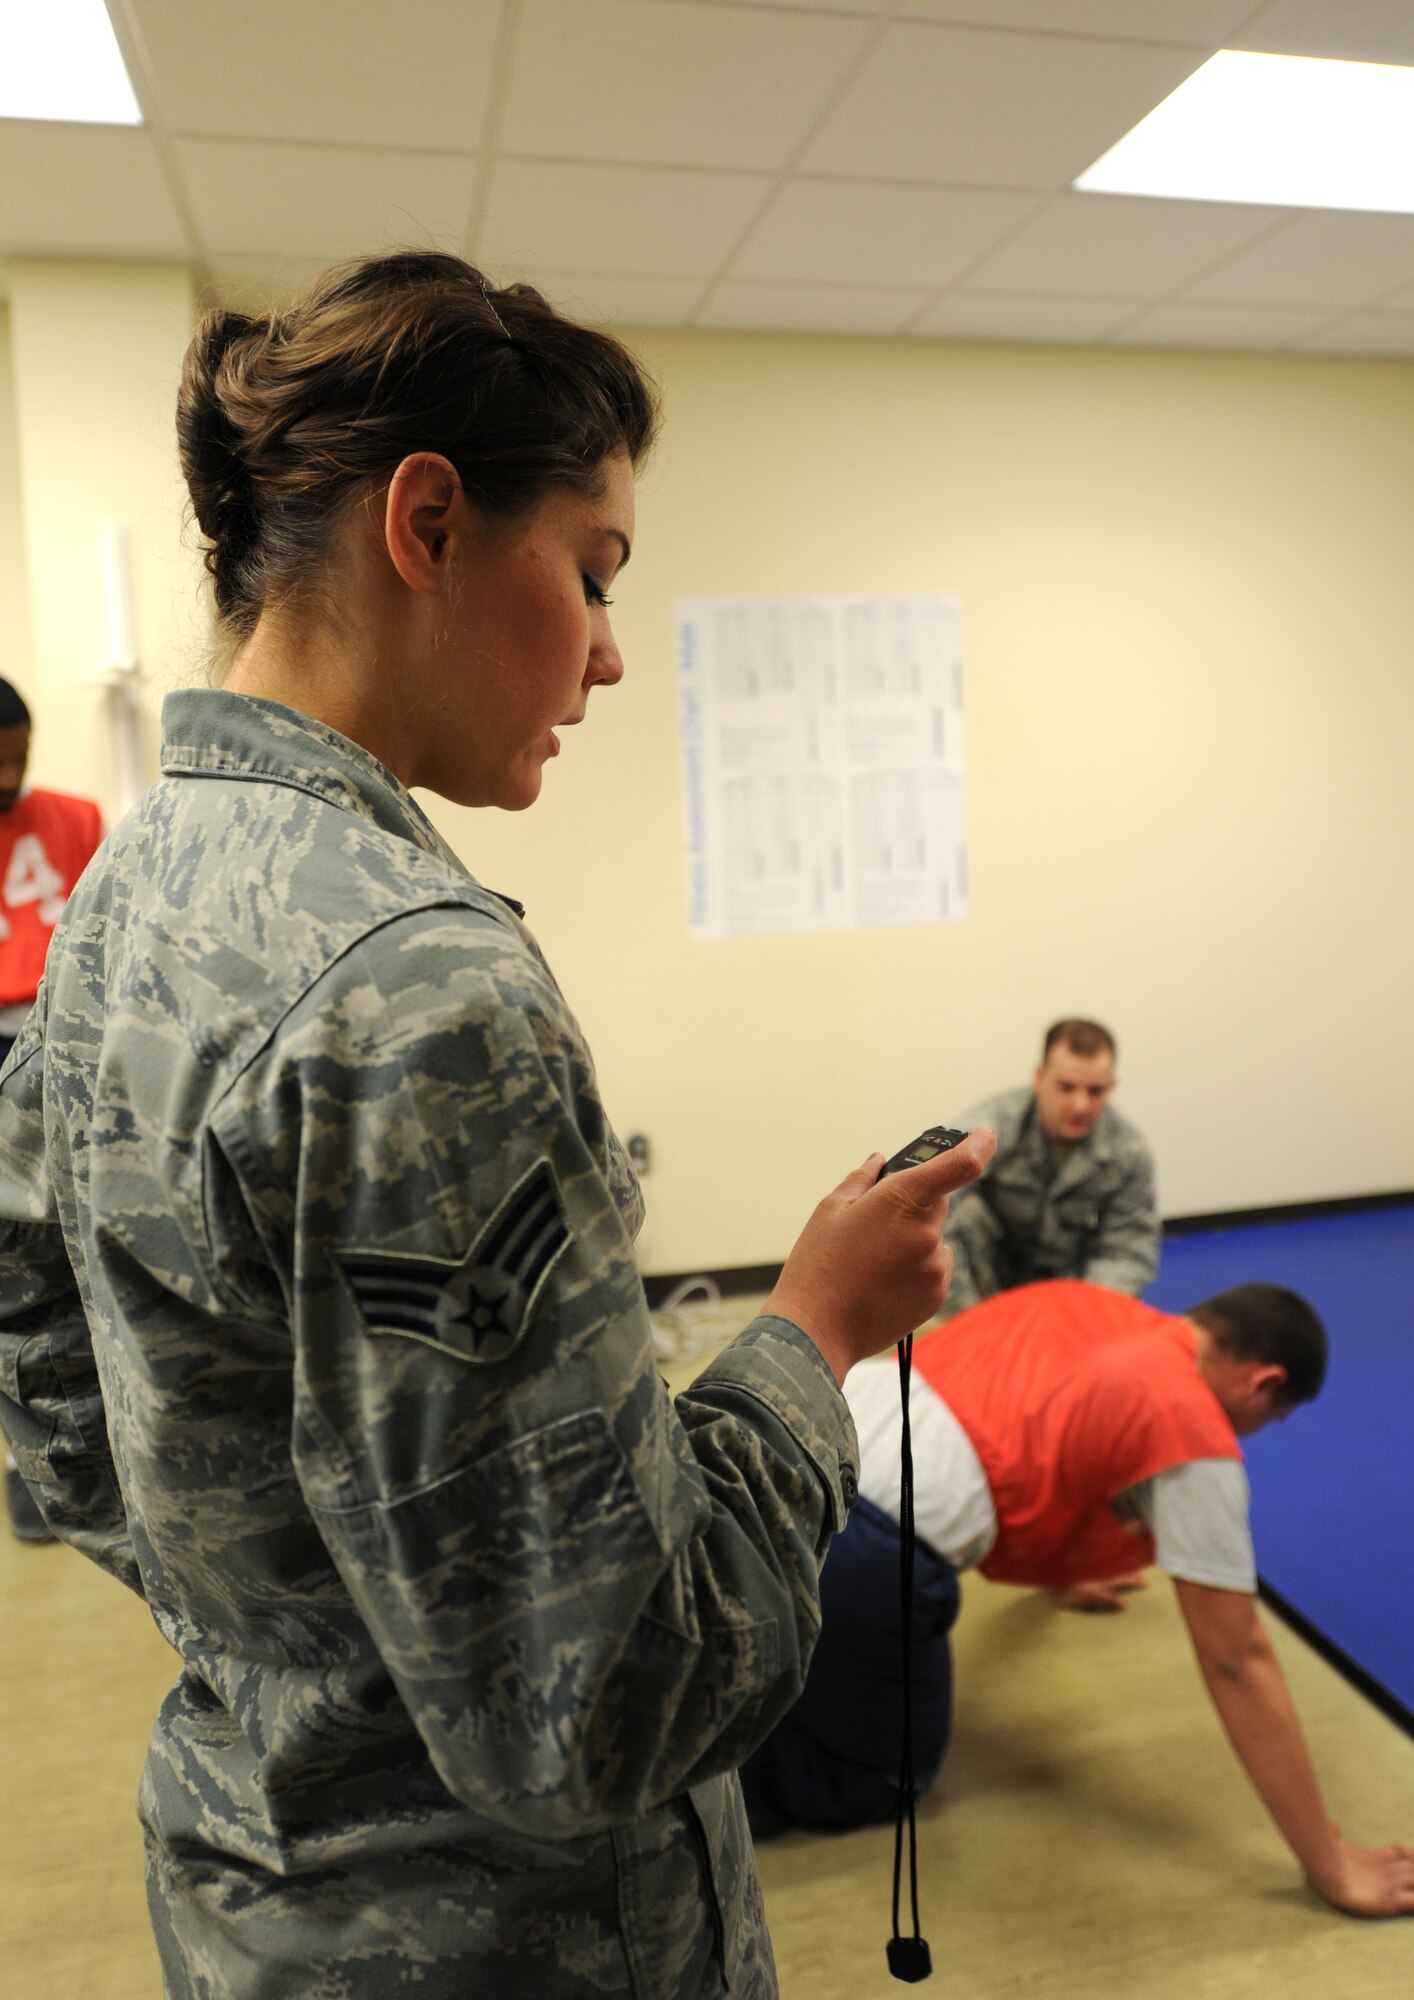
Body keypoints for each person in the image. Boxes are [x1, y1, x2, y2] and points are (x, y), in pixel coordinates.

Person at [0, 251, 997, 1999]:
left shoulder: (137, 876)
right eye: (594, 573)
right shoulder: (420, 991)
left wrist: (269, 1615)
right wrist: (814, 1331)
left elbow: (38, 1368)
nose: (611, 656)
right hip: (511, 1946)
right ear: (432, 522)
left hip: (253, 1885)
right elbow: (603, 1709)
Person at [741, 1277, 1414, 1918]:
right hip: (865, 1544)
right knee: (875, 1779)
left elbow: (1024, 1428)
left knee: (756, 1639)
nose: (1255, 1432)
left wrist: (1061, 1569)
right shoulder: (1190, 1430)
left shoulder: (1085, 1301)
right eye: (1269, 1418)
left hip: (778, 1443)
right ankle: (681, 1776)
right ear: (1264, 1382)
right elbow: (1236, 1657)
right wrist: (1329, 1861)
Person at [0, 675, 103, 1541]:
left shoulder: (74, 817)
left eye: (19, 754)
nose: (10, 772)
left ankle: (92, 1451)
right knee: (13, 1273)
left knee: (76, 1254)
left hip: (61, 1039)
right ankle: (27, 1463)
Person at [941, 1017, 1158, 1315]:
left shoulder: (1128, 1152)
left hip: (1071, 1294)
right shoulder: (989, 1130)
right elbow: (935, 1220)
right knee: (962, 1214)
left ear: (1111, 1086)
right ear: (1040, 1077)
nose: (1081, 1105)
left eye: (1095, 1091)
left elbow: (1127, 1253)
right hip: (987, 1287)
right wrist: (970, 1322)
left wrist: (1077, 1322)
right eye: (1066, 1087)